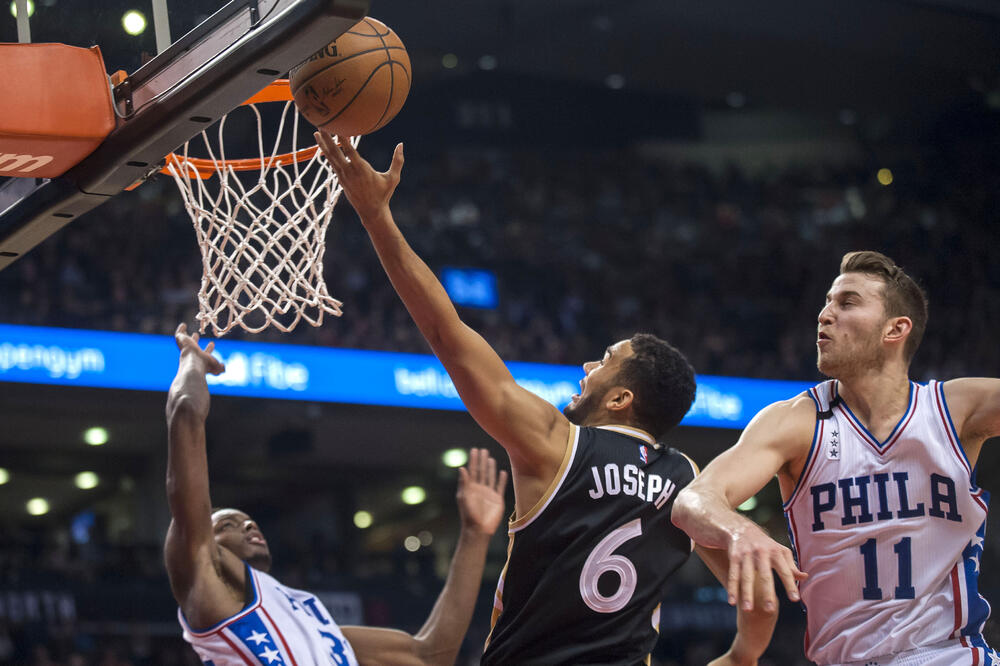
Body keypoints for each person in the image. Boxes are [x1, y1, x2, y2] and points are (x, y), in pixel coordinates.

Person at [313, 134, 777, 665]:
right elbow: (756, 590)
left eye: (603, 359)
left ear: (622, 397)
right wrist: (741, 656)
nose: (587, 366)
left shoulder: (557, 443)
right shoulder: (688, 482)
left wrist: (376, 217)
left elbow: (445, 332)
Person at [673, 250, 998, 665]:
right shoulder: (795, 421)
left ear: (895, 329)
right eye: (827, 302)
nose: (825, 315)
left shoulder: (954, 408)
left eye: (847, 303)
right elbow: (691, 502)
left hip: (948, 655)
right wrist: (741, 530)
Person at [165, 323, 508, 665]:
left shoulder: (316, 623)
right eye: (227, 524)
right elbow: (185, 414)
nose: (248, 525)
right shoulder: (204, 580)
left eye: (249, 520)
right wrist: (193, 364)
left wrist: (475, 536)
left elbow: (430, 655)